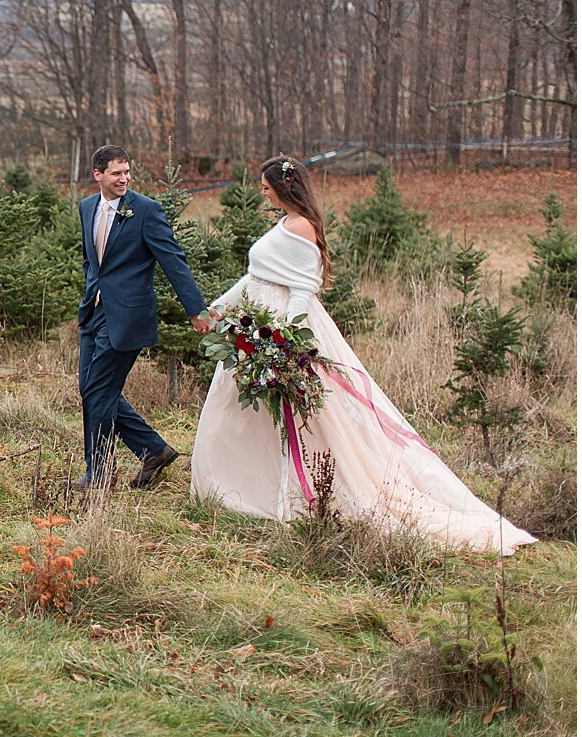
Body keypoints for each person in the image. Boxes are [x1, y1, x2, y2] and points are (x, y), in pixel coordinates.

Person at [190, 155, 536, 555]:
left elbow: (303, 291)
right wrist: (216, 308)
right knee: (238, 410)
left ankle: (288, 493)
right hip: (256, 327)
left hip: (278, 332)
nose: (261, 190)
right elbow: (256, 278)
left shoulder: (301, 227)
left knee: (307, 417)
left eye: (266, 185)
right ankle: (238, 486)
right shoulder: (283, 222)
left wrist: (283, 341)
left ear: (284, 187)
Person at [75, 145, 215, 490]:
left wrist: (196, 309)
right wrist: (90, 291)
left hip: (127, 317)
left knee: (99, 393)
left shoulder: (146, 211)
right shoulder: (86, 207)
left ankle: (100, 473)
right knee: (90, 389)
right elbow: (90, 260)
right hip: (93, 312)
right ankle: (153, 449)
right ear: (98, 175)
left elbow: (173, 261)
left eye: (127, 172)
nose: (123, 179)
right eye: (116, 173)